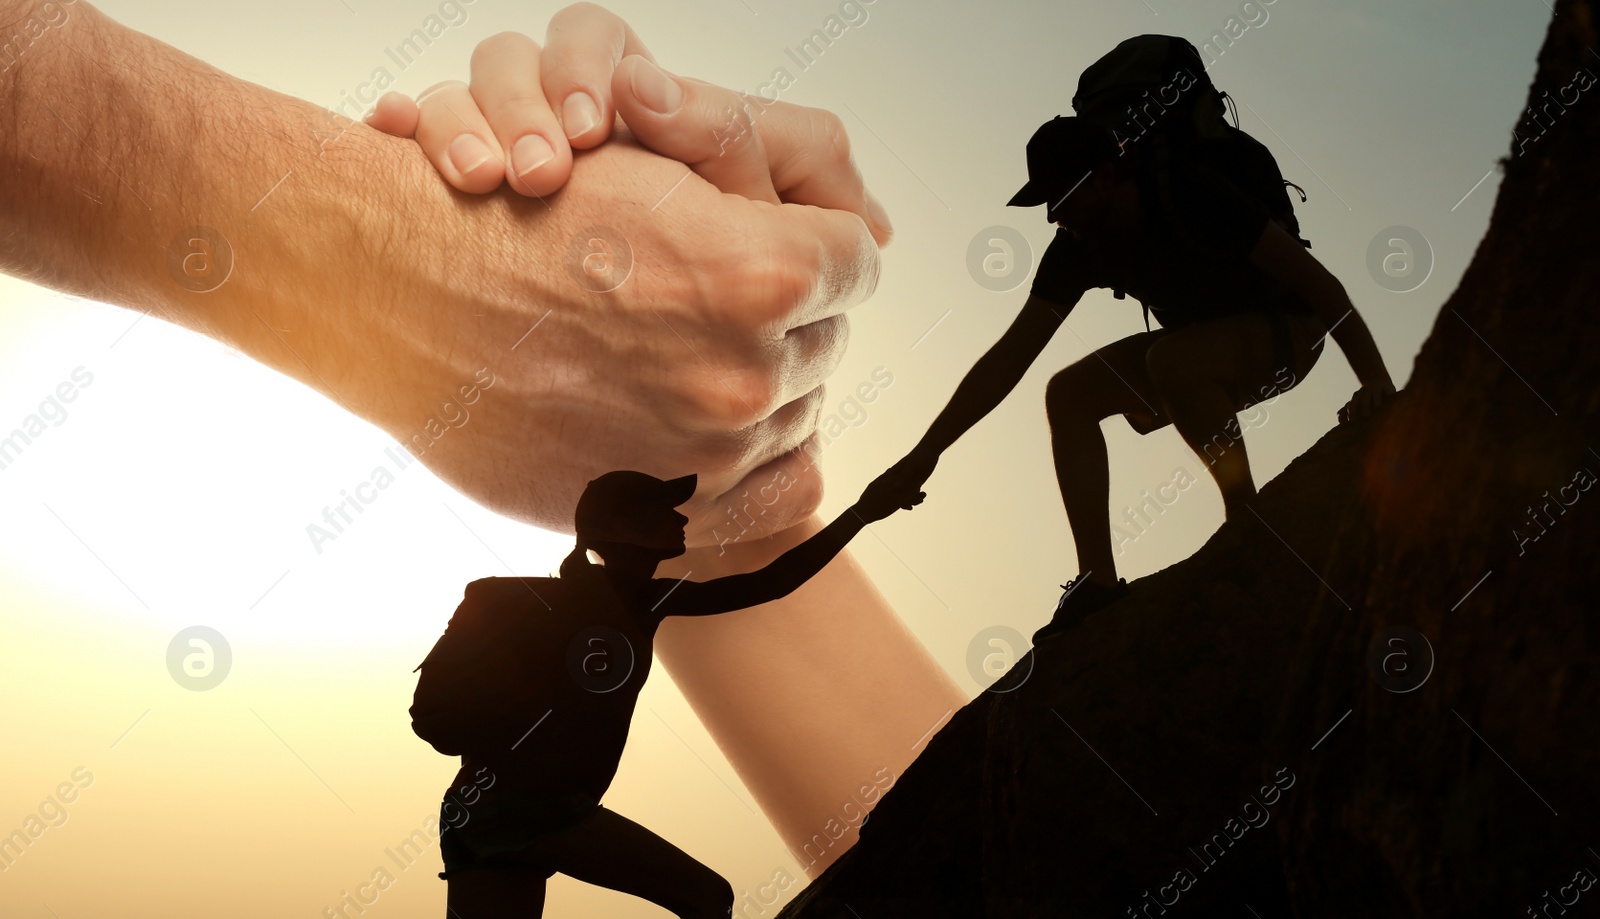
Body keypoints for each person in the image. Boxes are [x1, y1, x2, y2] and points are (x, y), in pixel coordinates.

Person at [0, 0, 963, 866]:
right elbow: (991, 859)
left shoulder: (626, 588)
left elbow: (976, 870)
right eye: (660, 519)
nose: (671, 528)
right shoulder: (549, 600)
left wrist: (402, 245)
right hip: (496, 825)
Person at [879, 115, 1397, 641]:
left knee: (1170, 359)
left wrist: (1373, 379)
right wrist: (926, 454)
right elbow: (1010, 358)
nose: (1055, 214)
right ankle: (1097, 584)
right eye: (1047, 202)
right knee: (1070, 393)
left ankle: (1247, 522)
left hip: (1292, 329)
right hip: (1198, 347)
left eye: (1062, 195)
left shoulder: (1191, 194)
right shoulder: (1079, 245)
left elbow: (1321, 286)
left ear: (1106, 175)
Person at [423, 467, 923, 918]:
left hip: (473, 816)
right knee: (707, 898)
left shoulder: (637, 598)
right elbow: (770, 583)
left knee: (705, 898)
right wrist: (861, 513)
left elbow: (769, 583)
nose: (679, 517)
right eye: (660, 509)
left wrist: (862, 512)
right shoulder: (629, 599)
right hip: (530, 810)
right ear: (621, 528)